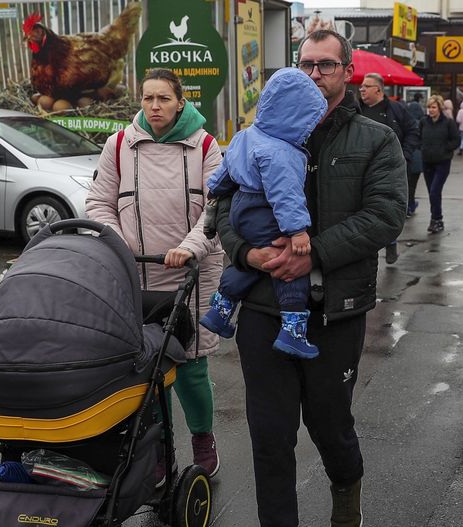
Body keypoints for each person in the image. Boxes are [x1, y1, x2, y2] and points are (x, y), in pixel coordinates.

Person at [216, 29, 406, 526]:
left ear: (347, 71)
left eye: (324, 65)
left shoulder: (375, 138)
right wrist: (247, 255)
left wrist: (314, 253)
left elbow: (386, 215)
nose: (314, 74)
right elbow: (221, 207)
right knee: (270, 438)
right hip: (262, 309)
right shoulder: (257, 134)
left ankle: (347, 500)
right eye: (305, 64)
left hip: (335, 313)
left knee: (331, 427)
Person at [86, 68, 225, 483]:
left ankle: (203, 438)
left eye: (163, 98)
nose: (154, 106)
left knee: (191, 364)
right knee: (147, 367)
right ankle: (160, 449)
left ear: (180, 102)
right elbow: (98, 203)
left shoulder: (204, 146)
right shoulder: (118, 146)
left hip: (192, 269)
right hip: (137, 272)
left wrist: (189, 247)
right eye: (148, 99)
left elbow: (216, 209)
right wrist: (117, 246)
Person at [199, 67, 326, 360]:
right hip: (264, 211)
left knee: (251, 265)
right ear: (295, 115)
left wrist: (215, 189)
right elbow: (285, 196)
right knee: (286, 266)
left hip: (241, 209)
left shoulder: (246, 135)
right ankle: (293, 331)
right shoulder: (281, 152)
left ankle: (221, 307)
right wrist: (297, 231)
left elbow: (225, 172)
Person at [358, 72, 419, 264]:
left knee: (387, 208)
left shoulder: (396, 109)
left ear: (378, 89)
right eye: (361, 86)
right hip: (362, 169)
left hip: (389, 169)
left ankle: (391, 242)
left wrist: (405, 155)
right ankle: (366, 249)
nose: (361, 89)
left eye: (366, 86)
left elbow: (413, 130)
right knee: (363, 210)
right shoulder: (356, 110)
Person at [420, 94, 460, 234]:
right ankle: (436, 220)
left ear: (440, 108)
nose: (430, 110)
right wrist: (423, 148)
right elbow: (419, 137)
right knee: (433, 193)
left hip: (442, 162)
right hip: (427, 162)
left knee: (434, 191)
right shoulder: (424, 122)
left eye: (433, 107)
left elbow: (456, 140)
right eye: (429, 107)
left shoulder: (448, 123)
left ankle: (436, 219)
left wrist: (444, 148)